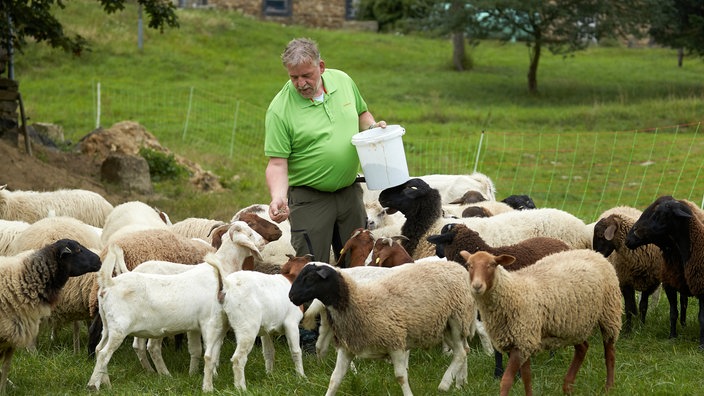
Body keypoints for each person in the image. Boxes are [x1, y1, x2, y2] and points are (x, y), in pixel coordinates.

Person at [265, 37, 386, 265]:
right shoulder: (279, 110)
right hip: (310, 199)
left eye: (306, 75)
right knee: (313, 268)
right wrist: (278, 197)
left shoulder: (343, 80)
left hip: (349, 194)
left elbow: (362, 114)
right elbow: (277, 163)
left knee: (358, 262)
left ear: (321, 67)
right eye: (294, 77)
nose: (301, 83)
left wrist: (372, 129)